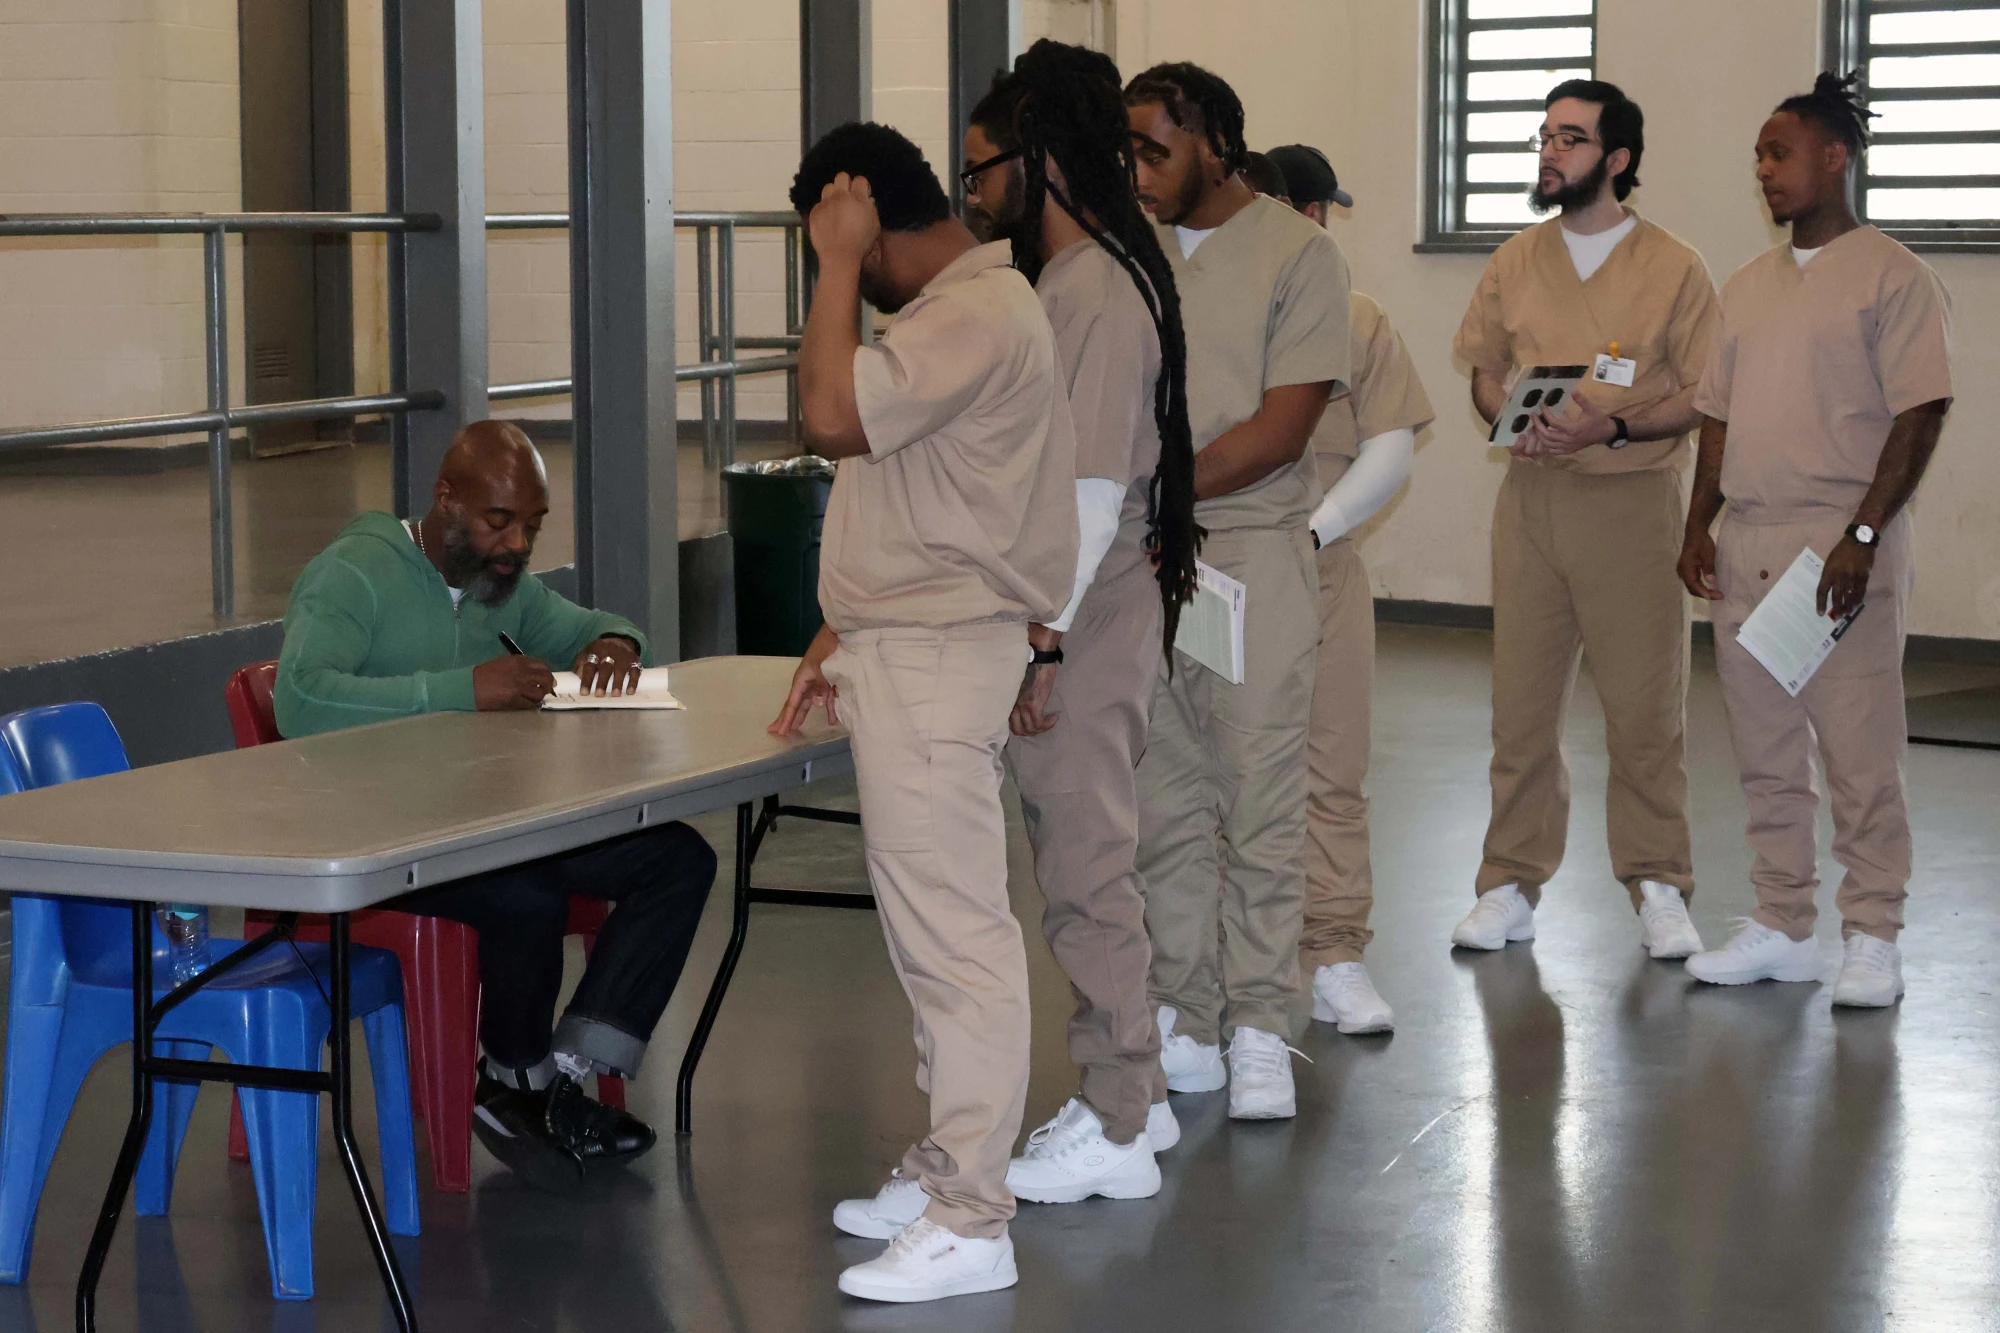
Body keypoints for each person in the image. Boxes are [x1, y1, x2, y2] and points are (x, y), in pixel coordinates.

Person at [769, 121, 1078, 1302]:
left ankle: (970, 1219)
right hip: (905, 645)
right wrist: (840, 624)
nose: (840, 277)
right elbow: (925, 498)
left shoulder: (971, 312)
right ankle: (951, 1160)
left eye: (841, 244)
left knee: (958, 943)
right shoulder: (955, 317)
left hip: (941, 658)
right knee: (931, 936)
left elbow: (831, 421)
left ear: (871, 223)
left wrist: (836, 266)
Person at [274, 420, 718, 1192]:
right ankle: (513, 1076)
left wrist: (616, 644)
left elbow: (595, 625)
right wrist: (459, 691)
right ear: (447, 500)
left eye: (534, 525)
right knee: (528, 895)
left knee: (676, 856)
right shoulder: (354, 575)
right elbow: (301, 698)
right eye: (499, 521)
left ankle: (561, 1072)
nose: (516, 543)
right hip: (382, 834)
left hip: (482, 822)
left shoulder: (500, 586)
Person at [959, 39, 1201, 1206]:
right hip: (1077, 605)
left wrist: (1040, 642)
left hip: (1083, 615)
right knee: (1084, 859)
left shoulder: (1097, 289)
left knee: (1088, 866)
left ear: (1041, 160)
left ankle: (1114, 1120)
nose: (974, 192)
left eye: (984, 168)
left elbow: (1091, 494)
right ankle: (1134, 1101)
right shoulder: (1071, 280)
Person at [1679, 73, 1952, 1005]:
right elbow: (1716, 417)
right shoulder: (1748, 287)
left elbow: (1921, 412)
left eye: (1779, 152)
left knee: (1860, 754)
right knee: (1763, 751)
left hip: (1837, 549)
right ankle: (1781, 922)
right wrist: (1697, 523)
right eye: (1758, 155)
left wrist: (1863, 533)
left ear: (1835, 156)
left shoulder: (1893, 276)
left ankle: (1873, 931)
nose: (1764, 170)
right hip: (1749, 541)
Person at [1125, 62, 1351, 1121]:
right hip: (1141, 556)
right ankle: (1185, 1008)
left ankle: (1261, 1019)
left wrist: (1163, 491)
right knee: (1161, 796)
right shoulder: (1131, 251)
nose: (1137, 171)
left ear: (1213, 138)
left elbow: (1281, 427)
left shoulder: (1298, 254)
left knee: (1255, 792)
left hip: (1245, 552)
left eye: (1153, 150)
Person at [1449, 79, 1718, 960]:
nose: (1549, 152)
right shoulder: (1517, 260)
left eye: (1570, 138)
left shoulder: (1675, 267)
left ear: (1618, 159)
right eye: (1545, 136)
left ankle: (1658, 880)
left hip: (1631, 502)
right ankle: (1508, 882)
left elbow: (1704, 394)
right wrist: (1508, 415)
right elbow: (1484, 367)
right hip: (1531, 503)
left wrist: (1615, 422)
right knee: (1519, 708)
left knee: (1645, 713)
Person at [1267, 144, 1434, 1035]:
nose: (1320, 228)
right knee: (1213, 778)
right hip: (1216, 574)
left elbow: (1392, 444)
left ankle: (1333, 952)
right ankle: (1231, 967)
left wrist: (1314, 530)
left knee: (1333, 769)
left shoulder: (1357, 320)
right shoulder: (1201, 311)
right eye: (1311, 209)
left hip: (1321, 570)